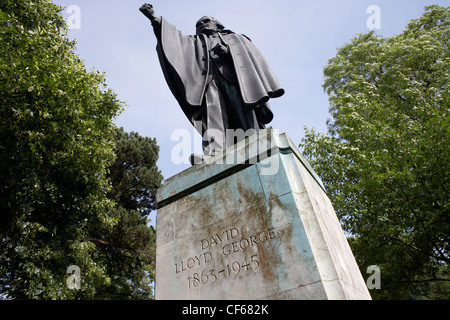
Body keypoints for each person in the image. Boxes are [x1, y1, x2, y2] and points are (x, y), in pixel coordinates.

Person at [140, 3, 285, 164]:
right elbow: (176, 41)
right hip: (209, 82)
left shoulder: (235, 38)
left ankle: (256, 145)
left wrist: (229, 52)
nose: (202, 24)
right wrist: (156, 20)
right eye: (198, 24)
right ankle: (214, 154)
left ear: (218, 25)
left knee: (243, 114)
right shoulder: (196, 42)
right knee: (212, 116)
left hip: (236, 80)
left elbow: (251, 57)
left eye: (206, 21)